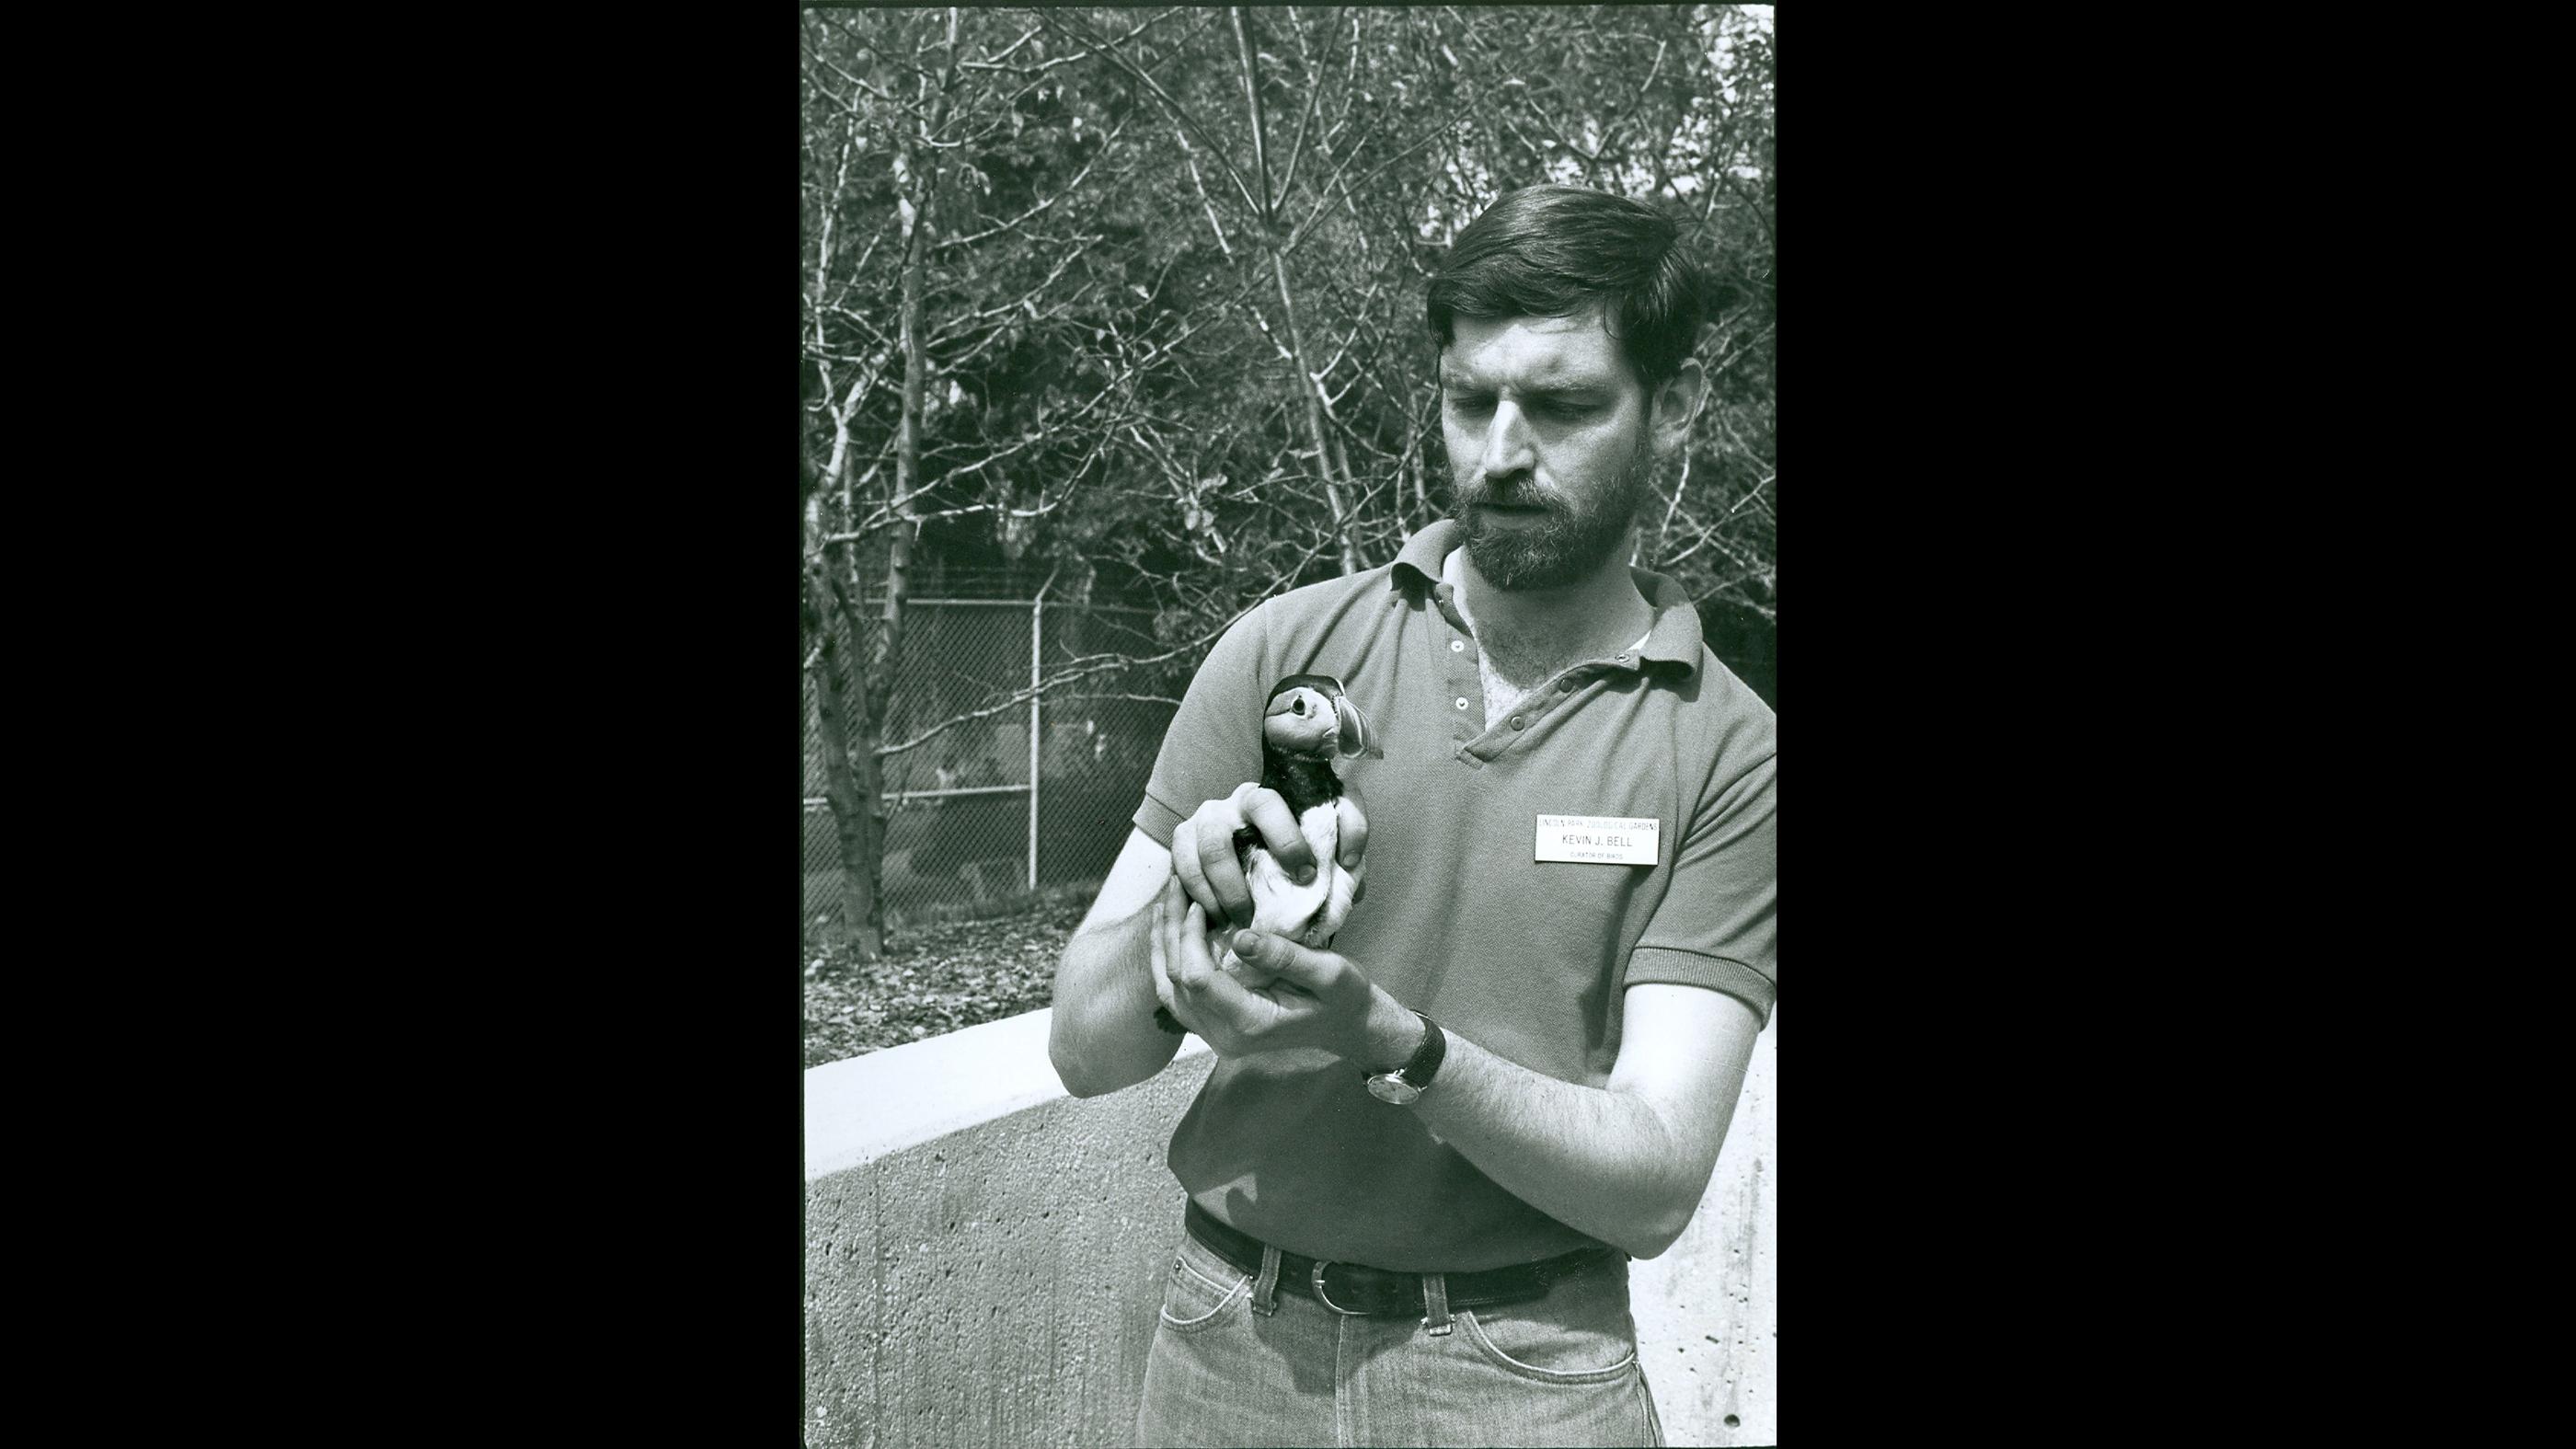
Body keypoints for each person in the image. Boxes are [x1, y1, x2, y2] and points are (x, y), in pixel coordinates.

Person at [1049, 184, 1776, 1449]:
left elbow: (1656, 1183)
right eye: (1467, 400)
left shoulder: (1728, 746)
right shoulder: (1284, 649)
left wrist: (1395, 1043)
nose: (1500, 451)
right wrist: (1188, 915)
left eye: (1561, 406)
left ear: (1677, 406)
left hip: (1530, 1373)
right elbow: (1085, 1052)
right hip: (1228, 1338)